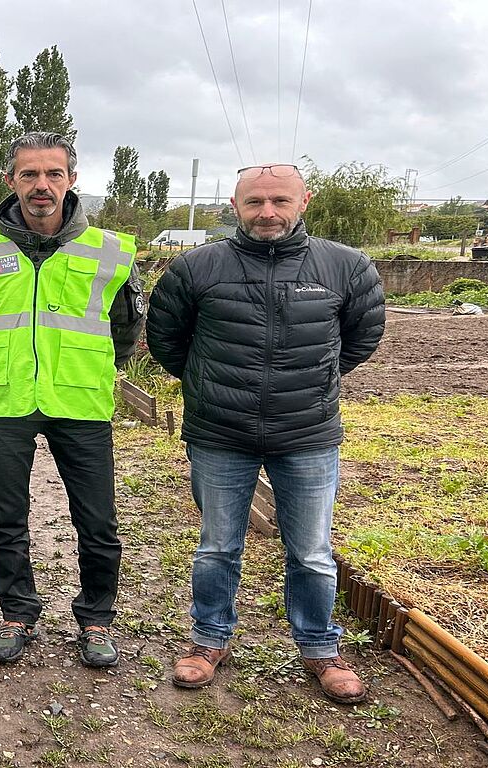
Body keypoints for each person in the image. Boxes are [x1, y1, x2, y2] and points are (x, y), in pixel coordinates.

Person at [145, 163, 385, 704]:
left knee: (312, 552)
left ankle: (320, 648)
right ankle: (209, 640)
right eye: (255, 202)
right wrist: (211, 385)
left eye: (280, 201)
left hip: (307, 434)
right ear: (236, 206)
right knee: (216, 547)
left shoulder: (346, 266)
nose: (267, 213)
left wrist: (314, 381)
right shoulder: (196, 267)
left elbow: (362, 336)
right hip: (219, 432)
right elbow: (166, 339)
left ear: (304, 201)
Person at [0, 132, 144, 668]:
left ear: (71, 179)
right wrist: (4, 370)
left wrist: (88, 369)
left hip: (80, 403)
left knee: (97, 521)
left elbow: (126, 330)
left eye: (53, 173)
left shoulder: (110, 252)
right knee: (6, 517)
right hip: (5, 403)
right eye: (29, 174)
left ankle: (97, 619)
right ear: (11, 181)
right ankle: (17, 612)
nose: (42, 185)